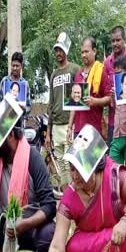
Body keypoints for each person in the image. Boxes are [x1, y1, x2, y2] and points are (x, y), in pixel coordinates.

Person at [46, 33, 81, 187]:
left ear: (66, 50)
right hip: (56, 126)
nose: (58, 53)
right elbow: (51, 103)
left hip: (70, 125)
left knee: (70, 163)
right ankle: (68, 200)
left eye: (61, 50)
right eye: (56, 50)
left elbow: (79, 97)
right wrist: (48, 132)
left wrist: (74, 125)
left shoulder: (74, 69)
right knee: (61, 164)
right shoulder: (54, 74)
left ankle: (74, 198)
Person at [69, 37, 112, 138]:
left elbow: (109, 98)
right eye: (82, 52)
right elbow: (73, 104)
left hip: (93, 129)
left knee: (92, 155)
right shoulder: (79, 74)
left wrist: (95, 101)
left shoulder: (101, 71)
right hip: (78, 129)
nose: (84, 55)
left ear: (94, 51)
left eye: (86, 52)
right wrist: (70, 126)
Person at [104, 26, 126, 144]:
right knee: (113, 159)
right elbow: (105, 88)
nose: (115, 43)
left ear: (124, 39)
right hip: (112, 120)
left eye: (118, 40)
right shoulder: (107, 63)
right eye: (113, 41)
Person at [109, 56, 126, 164]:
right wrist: (113, 96)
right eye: (116, 74)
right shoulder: (116, 90)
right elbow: (113, 106)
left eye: (120, 73)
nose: (118, 76)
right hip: (117, 133)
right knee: (113, 164)